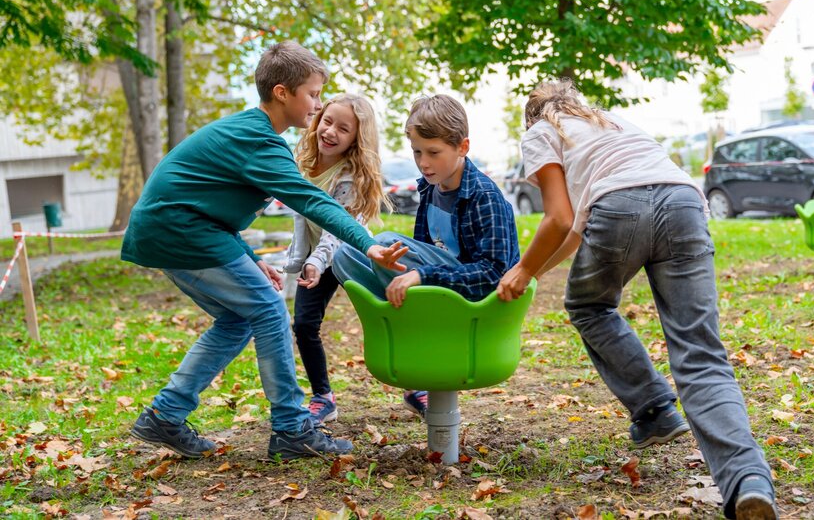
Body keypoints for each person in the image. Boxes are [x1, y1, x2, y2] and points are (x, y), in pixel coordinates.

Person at [496, 80, 777, 520]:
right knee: (701, 353)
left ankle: (655, 409)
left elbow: (559, 217)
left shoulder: (540, 131)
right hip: (683, 202)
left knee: (589, 306)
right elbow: (574, 232)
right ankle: (748, 480)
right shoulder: (610, 122)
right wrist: (533, 273)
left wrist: (524, 269)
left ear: (533, 115)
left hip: (619, 210)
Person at [122, 41, 408, 462]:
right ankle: (292, 427)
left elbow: (208, 204)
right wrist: (369, 245)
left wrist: (250, 257)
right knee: (270, 309)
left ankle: (166, 414)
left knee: (238, 319)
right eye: (312, 94)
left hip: (175, 229)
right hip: (179, 231)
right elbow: (313, 201)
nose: (315, 104)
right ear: (282, 93)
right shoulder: (260, 141)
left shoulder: (252, 134)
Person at [333, 94, 520, 418]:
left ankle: (411, 318)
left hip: (473, 301)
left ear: (462, 147)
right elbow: (422, 250)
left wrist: (423, 275)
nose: (424, 162)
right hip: (434, 295)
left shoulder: (484, 196)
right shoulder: (429, 188)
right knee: (345, 254)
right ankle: (400, 319)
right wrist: (412, 272)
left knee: (387, 240)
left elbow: (494, 274)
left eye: (434, 152)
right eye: (417, 152)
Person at [284, 93, 390, 425]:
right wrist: (301, 258)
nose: (331, 132)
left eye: (343, 129)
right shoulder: (303, 164)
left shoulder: (349, 178)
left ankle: (415, 387)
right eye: (327, 122)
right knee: (303, 324)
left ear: (356, 139)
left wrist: (316, 261)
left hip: (353, 255)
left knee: (385, 319)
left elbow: (335, 230)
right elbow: (302, 218)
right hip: (317, 258)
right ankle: (323, 396)